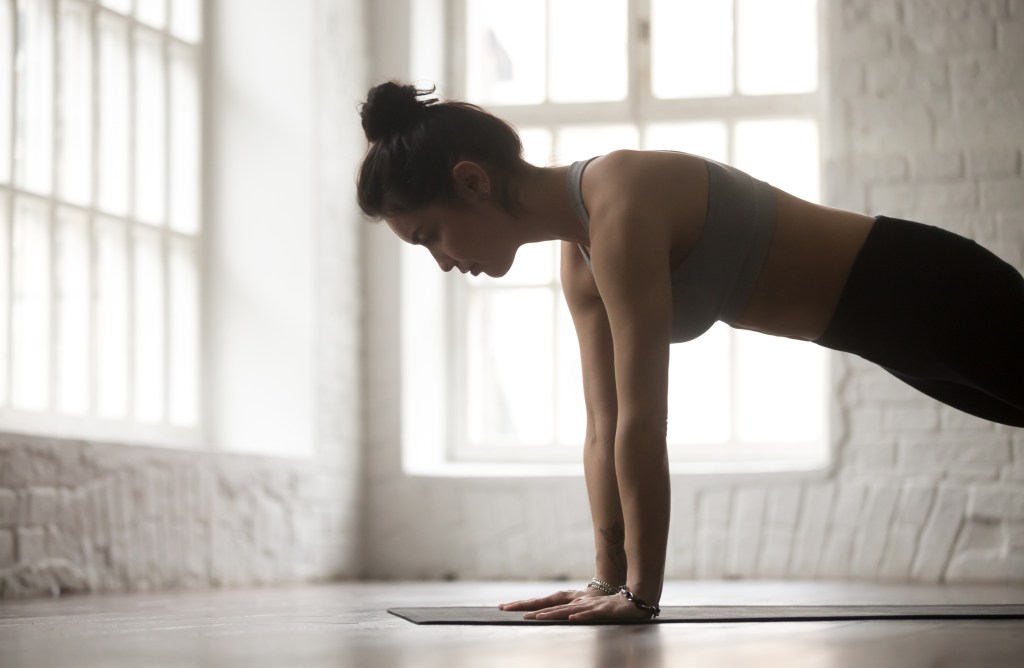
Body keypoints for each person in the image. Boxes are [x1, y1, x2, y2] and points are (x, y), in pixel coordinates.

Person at [357, 81, 1024, 622]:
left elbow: (647, 421)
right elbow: (605, 427)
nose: (443, 262)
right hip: (892, 334)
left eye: (430, 237)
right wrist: (604, 580)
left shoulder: (620, 199)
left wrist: (641, 595)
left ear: (473, 181)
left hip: (927, 286)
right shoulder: (579, 256)